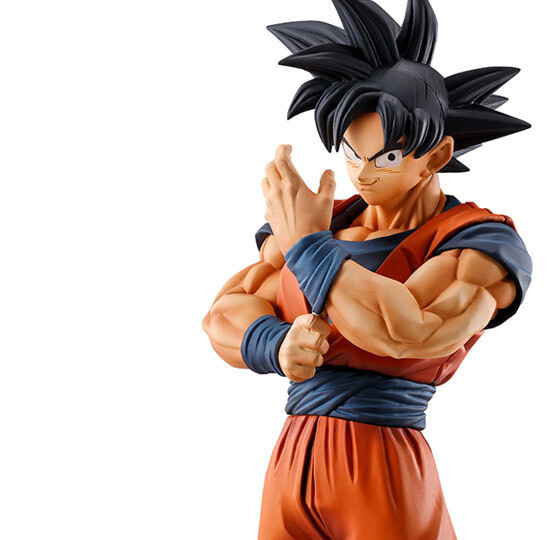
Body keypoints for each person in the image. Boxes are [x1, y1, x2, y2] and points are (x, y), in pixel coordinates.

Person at [202, 0, 533, 537]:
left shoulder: (475, 243)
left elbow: (410, 331)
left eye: (388, 158)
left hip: (383, 464)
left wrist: (308, 246)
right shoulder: (325, 219)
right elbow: (222, 315)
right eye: (352, 153)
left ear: (437, 154)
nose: (363, 174)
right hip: (291, 464)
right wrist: (274, 344)